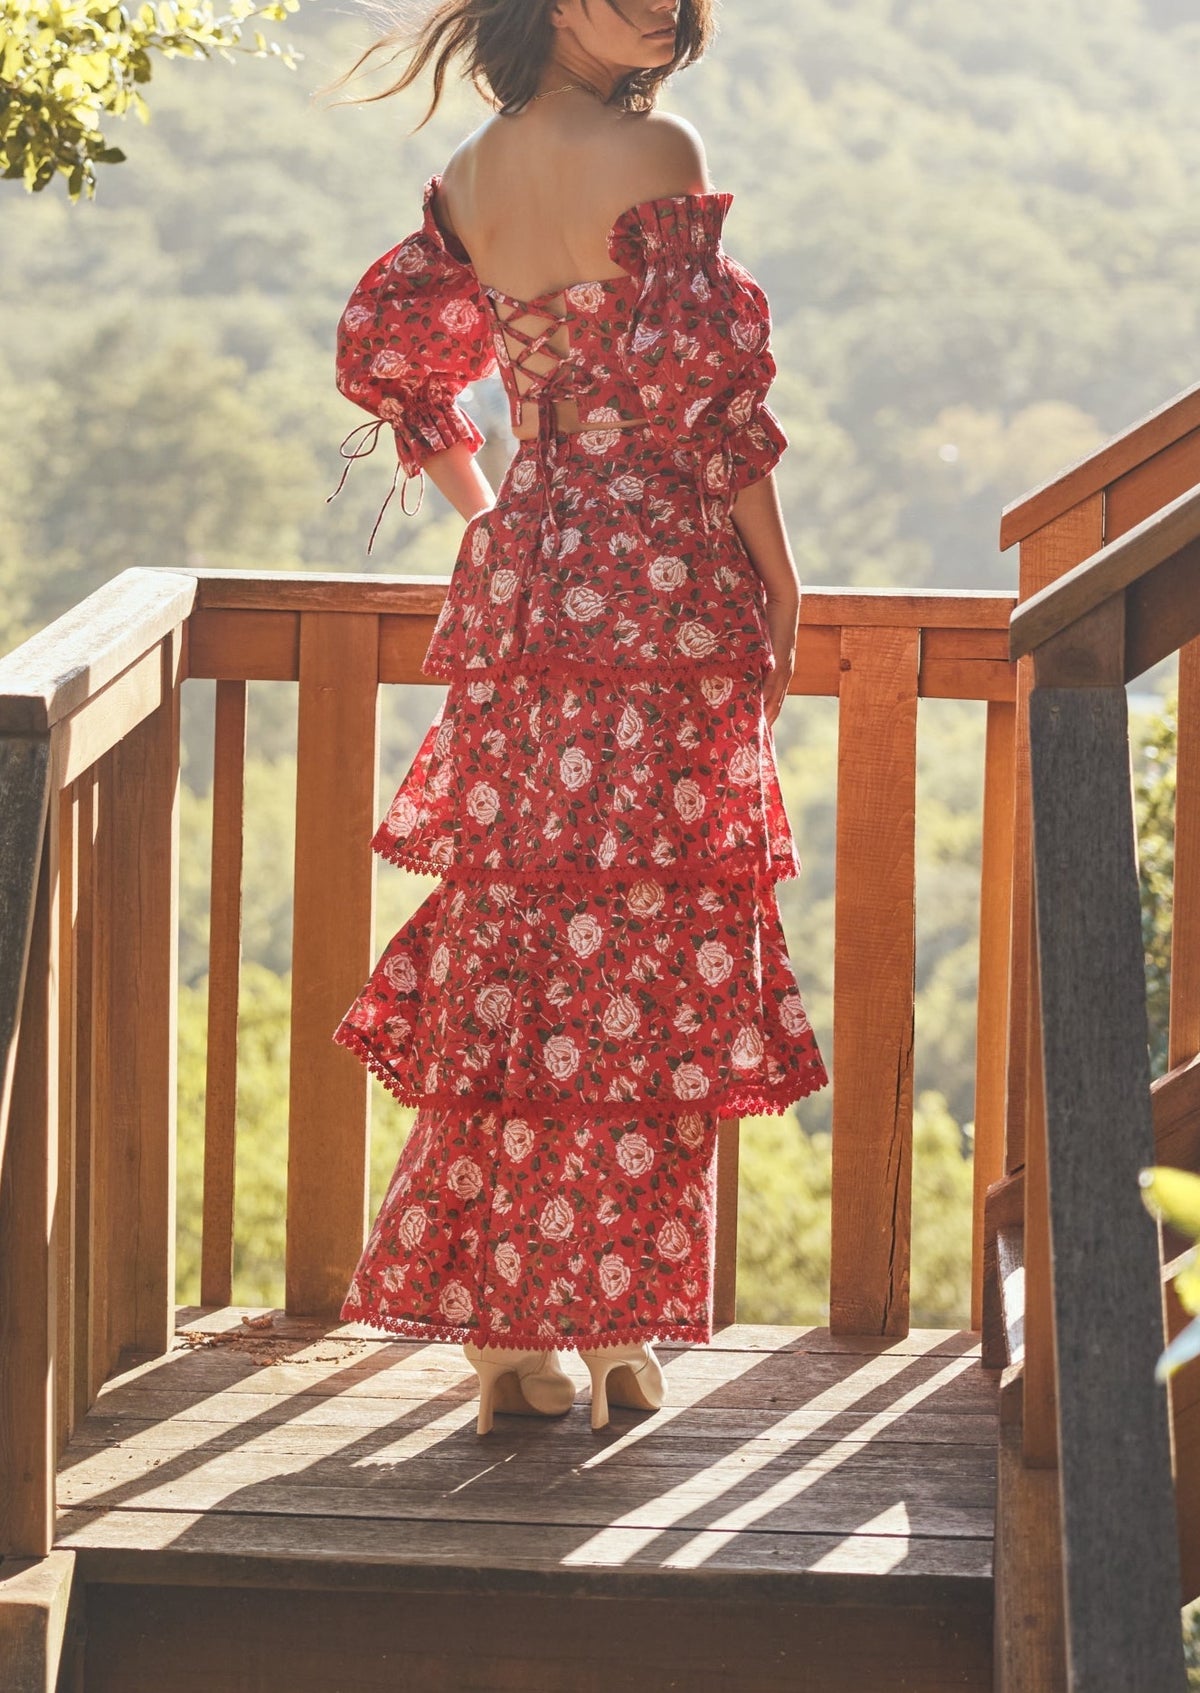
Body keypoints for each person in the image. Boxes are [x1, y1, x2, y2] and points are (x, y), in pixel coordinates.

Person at [320, 0, 829, 1436]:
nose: (665, 7)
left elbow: (398, 358)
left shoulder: (471, 180)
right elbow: (707, 405)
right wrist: (781, 581)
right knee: (651, 957)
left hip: (533, 575)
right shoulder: (657, 149)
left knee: (518, 950)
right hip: (661, 582)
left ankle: (508, 1340)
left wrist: (499, 514)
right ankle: (614, 1331)